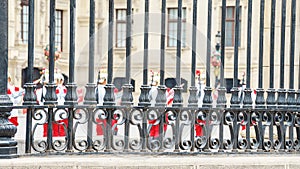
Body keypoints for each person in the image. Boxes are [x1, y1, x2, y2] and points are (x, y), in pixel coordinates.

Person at [95, 70, 118, 136]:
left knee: (101, 128)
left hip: (100, 110)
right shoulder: (110, 88)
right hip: (109, 110)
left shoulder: (96, 89)